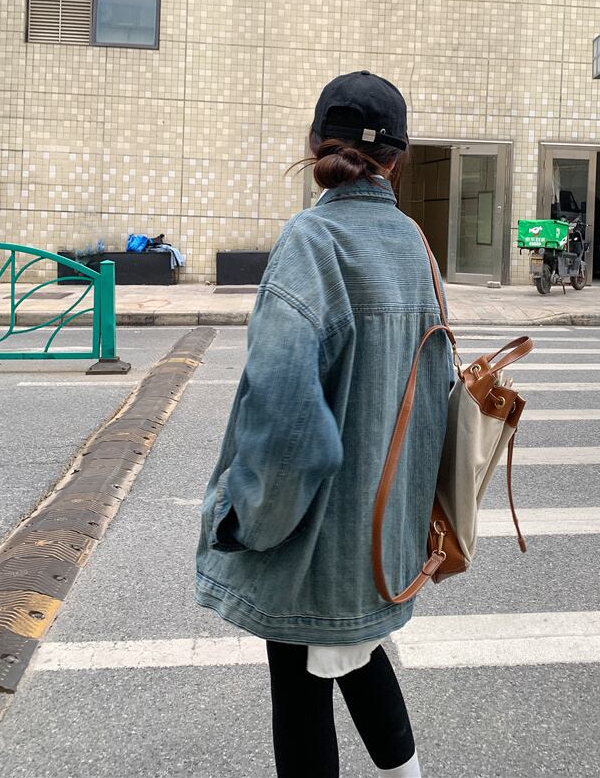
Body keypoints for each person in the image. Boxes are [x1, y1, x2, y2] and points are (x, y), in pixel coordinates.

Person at [195, 70, 452, 778]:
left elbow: (284, 421)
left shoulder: (310, 242)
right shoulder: (417, 246)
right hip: (384, 532)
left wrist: (245, 519)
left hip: (309, 534)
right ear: (398, 158)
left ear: (314, 143)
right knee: (354, 650)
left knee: (303, 683)